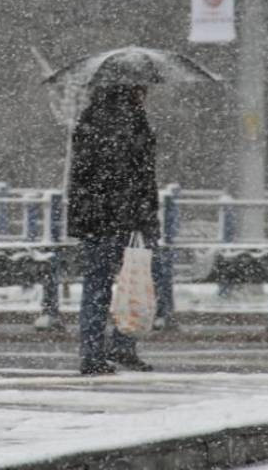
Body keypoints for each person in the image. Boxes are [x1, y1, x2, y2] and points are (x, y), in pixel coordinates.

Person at [67, 83, 158, 375]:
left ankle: (94, 351)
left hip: (94, 217)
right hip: (123, 215)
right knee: (128, 281)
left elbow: (83, 174)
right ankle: (118, 345)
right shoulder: (131, 121)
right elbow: (138, 175)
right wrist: (143, 215)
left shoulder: (89, 119)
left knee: (98, 284)